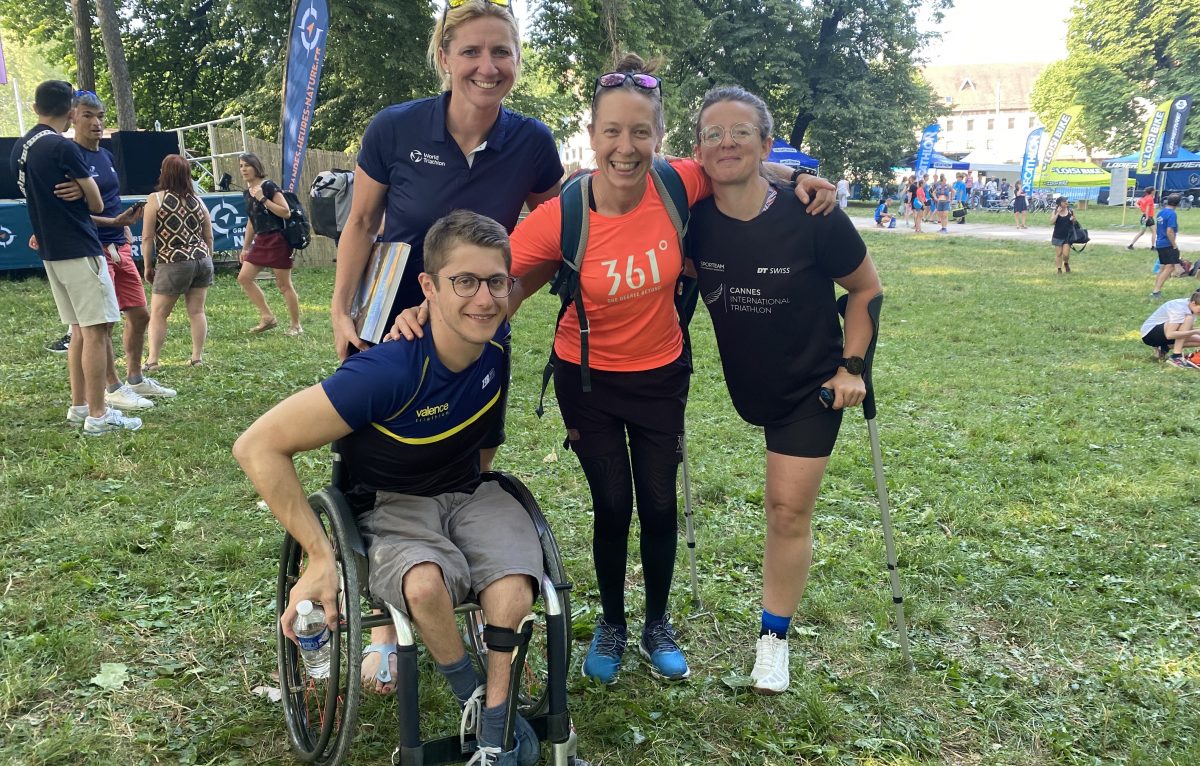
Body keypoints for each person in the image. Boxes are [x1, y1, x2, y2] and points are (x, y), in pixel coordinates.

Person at [390, 56, 836, 687]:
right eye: (612, 132)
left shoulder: (679, 183)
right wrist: (424, 307)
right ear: (593, 135)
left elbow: (736, 164)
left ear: (658, 138)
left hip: (660, 377)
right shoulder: (561, 216)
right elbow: (485, 276)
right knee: (612, 504)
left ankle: (657, 624)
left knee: (656, 506)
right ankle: (613, 625)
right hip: (588, 381)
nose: (626, 148)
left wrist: (799, 180)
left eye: (640, 133)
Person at [234, 211, 543, 766]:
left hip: (467, 490)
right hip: (390, 501)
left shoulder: (497, 347)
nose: (485, 298)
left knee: (515, 587)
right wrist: (319, 554)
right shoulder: (387, 370)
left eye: (496, 282)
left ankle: (494, 730)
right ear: (427, 286)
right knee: (423, 587)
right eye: (464, 282)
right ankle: (470, 694)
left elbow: (485, 435)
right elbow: (257, 446)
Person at [686, 85, 882, 695]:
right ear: (697, 149)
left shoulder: (814, 214)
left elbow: (865, 289)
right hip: (749, 383)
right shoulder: (689, 221)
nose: (727, 142)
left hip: (811, 385)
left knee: (786, 510)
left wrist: (852, 368)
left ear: (766, 144)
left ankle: (773, 641)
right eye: (714, 133)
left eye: (741, 131)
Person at [329, 0, 564, 362]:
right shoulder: (394, 129)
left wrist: (505, 302)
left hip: (476, 327)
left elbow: (554, 236)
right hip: (387, 328)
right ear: (444, 58)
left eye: (501, 52)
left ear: (517, 59)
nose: (487, 67)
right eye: (470, 51)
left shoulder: (532, 142)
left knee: (472, 421)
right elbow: (361, 223)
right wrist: (341, 312)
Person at [9, 80, 141, 434]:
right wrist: (84, 191)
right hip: (81, 248)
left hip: (51, 252)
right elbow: (96, 204)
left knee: (79, 330)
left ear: (36, 107)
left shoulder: (22, 147)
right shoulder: (61, 148)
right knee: (97, 331)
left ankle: (79, 406)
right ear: (70, 112)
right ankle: (99, 415)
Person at [64, 91, 175, 406]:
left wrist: (121, 226)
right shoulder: (69, 157)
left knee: (139, 315)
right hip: (93, 248)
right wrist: (113, 223)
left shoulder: (106, 156)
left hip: (119, 246)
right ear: (72, 116)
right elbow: (71, 213)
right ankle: (112, 390)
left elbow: (109, 201)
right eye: (87, 115)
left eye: (99, 116)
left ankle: (135, 379)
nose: (96, 123)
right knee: (103, 324)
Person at [141, 154, 215, 368]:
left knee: (158, 314)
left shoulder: (155, 200)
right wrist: (207, 257)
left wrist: (147, 265)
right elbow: (208, 235)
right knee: (197, 311)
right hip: (201, 259)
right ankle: (197, 357)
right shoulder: (199, 201)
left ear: (165, 173)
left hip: (172, 261)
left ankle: (153, 360)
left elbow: (147, 238)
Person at [237, 152, 302, 336]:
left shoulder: (268, 187)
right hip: (261, 240)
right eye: (241, 166)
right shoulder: (246, 193)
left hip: (277, 239)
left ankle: (296, 325)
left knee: (284, 285)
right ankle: (267, 316)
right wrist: (245, 247)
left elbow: (285, 212)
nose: (243, 169)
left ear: (256, 167)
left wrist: (263, 199)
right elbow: (252, 221)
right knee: (244, 278)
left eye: (247, 165)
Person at [1140, 288, 1200, 367]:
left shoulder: (1192, 307)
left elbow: (1186, 329)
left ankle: (1164, 347)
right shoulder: (1180, 308)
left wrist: (1196, 330)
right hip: (1150, 334)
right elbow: (1170, 334)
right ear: (1193, 303)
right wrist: (1195, 332)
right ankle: (1176, 356)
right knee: (1189, 318)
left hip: (1164, 333)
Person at [1150, 193, 1183, 299]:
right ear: (1178, 203)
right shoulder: (1172, 214)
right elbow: (1169, 231)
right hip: (1167, 244)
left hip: (1160, 243)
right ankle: (1156, 291)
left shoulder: (1161, 212)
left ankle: (1155, 289)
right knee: (1170, 267)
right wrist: (1174, 245)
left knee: (1162, 267)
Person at [1050, 196, 1075, 274]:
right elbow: (1052, 222)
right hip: (1057, 235)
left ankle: (1066, 263)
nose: (1066, 203)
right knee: (1059, 253)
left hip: (1067, 236)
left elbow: (1074, 222)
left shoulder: (1070, 210)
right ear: (1059, 203)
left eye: (1066, 201)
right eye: (1064, 201)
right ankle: (1059, 269)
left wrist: (1073, 219)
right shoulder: (1054, 212)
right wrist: (1057, 213)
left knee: (1065, 254)